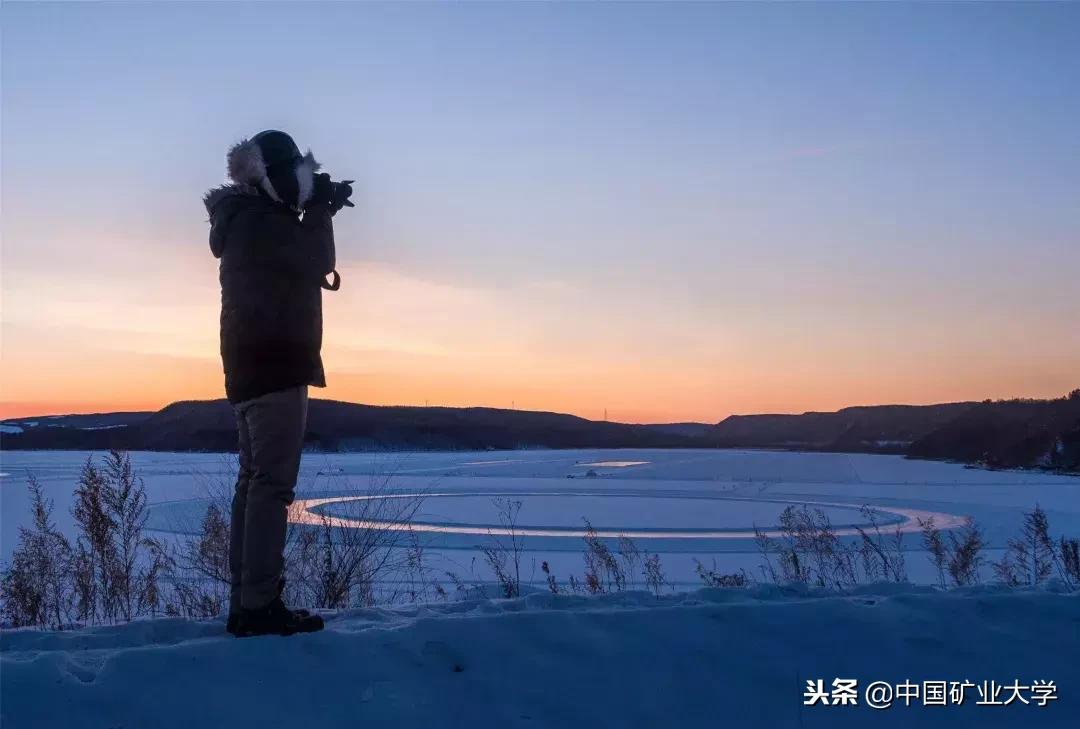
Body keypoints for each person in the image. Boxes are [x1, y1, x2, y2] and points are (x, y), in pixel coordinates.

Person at [203, 130, 347, 637]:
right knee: (271, 487)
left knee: (253, 484)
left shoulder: (245, 220)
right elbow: (317, 261)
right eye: (293, 176)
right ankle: (259, 606)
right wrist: (323, 209)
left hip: (248, 368)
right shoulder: (265, 222)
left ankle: (247, 602)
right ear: (269, 177)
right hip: (277, 364)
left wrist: (314, 206)